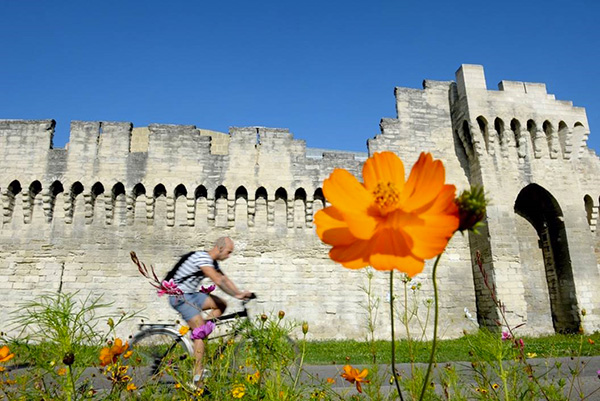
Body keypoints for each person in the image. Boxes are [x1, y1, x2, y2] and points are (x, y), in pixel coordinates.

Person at [166, 237, 253, 387]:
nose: (229, 256)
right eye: (228, 252)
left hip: (191, 295)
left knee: (221, 305)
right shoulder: (202, 258)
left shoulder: (212, 262)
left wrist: (240, 292)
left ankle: (198, 334)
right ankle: (196, 377)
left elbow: (224, 278)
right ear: (219, 248)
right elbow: (217, 281)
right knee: (200, 333)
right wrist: (236, 295)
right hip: (179, 296)